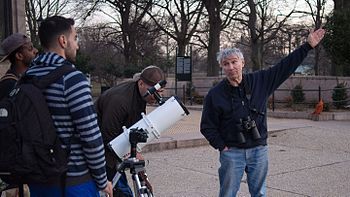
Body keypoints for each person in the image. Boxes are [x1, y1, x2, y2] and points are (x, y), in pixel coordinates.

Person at [200, 28, 325, 197]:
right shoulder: (215, 94)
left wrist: (308, 46)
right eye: (226, 64)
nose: (231, 67)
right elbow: (207, 127)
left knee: (259, 193)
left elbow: (284, 67)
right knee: (227, 193)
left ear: (242, 63)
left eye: (234, 62)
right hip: (232, 152)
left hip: (258, 149)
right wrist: (222, 146)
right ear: (222, 67)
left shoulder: (260, 81)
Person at [24, 16, 113, 197]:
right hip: (73, 182)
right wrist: (103, 181)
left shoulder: (26, 78)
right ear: (63, 41)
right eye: (75, 38)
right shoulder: (72, 79)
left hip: (38, 180)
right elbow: (90, 137)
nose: (77, 45)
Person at [95, 65, 166, 197]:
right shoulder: (120, 99)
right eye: (155, 91)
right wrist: (131, 153)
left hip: (115, 150)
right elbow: (108, 135)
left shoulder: (140, 95)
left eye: (161, 92)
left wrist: (142, 175)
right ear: (140, 83)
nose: (156, 96)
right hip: (101, 152)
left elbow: (134, 130)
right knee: (119, 193)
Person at [0, 33, 38, 100]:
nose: (36, 51)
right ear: (19, 56)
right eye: (30, 48)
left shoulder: (25, 78)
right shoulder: (9, 85)